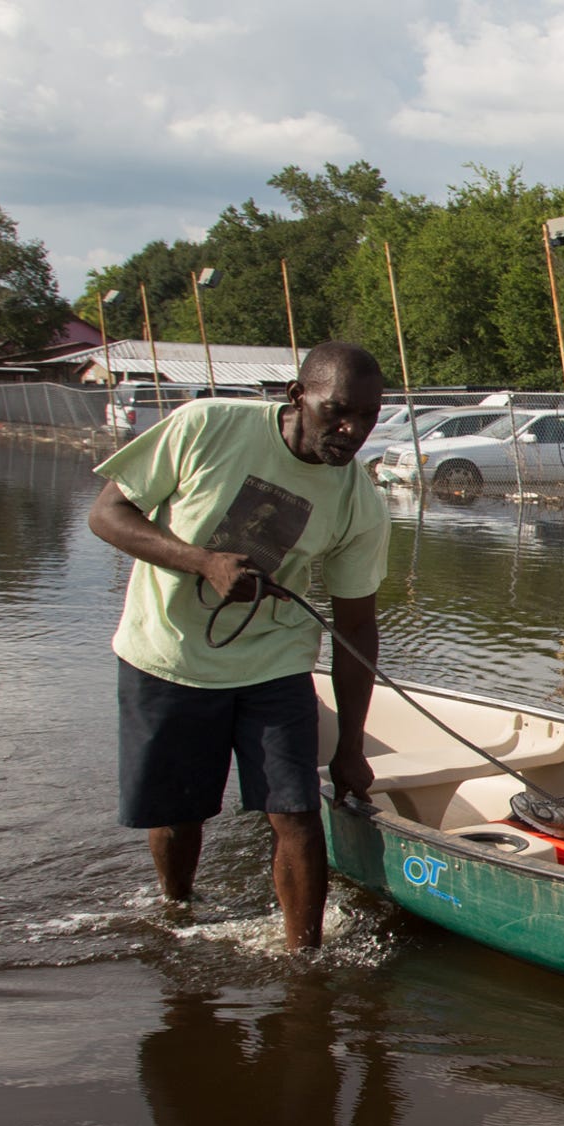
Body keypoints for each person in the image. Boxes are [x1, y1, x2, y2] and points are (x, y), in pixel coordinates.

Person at [87, 342, 386, 950]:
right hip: (168, 653)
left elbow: (355, 628)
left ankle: (304, 961)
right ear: (297, 397)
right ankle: (177, 911)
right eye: (337, 412)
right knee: (180, 815)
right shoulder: (206, 426)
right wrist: (202, 562)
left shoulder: (359, 501)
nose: (353, 430)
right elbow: (107, 514)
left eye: (369, 417)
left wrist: (350, 747)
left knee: (296, 813)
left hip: (273, 664)